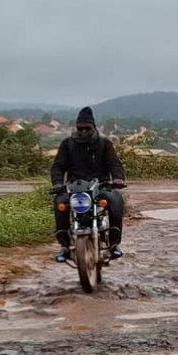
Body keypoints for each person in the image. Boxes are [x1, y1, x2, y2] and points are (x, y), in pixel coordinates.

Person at [51, 106, 127, 263]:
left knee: (116, 201)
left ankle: (114, 244)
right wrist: (58, 183)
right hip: (74, 186)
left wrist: (118, 179)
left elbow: (114, 164)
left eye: (87, 128)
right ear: (76, 128)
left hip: (101, 185)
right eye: (80, 129)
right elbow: (58, 166)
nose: (83, 132)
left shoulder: (105, 144)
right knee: (60, 204)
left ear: (94, 127)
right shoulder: (67, 144)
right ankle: (64, 246)